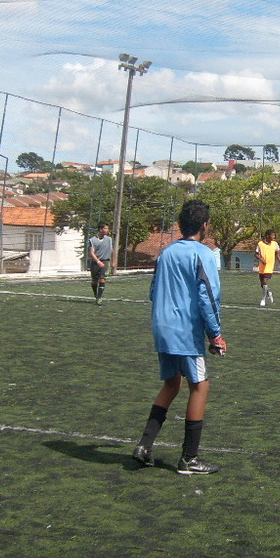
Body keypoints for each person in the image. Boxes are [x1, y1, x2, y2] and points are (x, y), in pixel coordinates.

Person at [132, 199, 226, 475]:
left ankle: (144, 446)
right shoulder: (203, 254)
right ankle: (189, 459)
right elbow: (208, 298)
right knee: (200, 386)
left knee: (172, 383)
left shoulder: (166, 252)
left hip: (162, 326)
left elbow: (153, 290)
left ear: (180, 225)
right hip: (185, 330)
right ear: (205, 225)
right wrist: (216, 335)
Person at [255, 229, 280, 306]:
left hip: (269, 266)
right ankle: (269, 293)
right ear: (267, 236)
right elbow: (256, 254)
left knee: (265, 281)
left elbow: (277, 254)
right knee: (262, 284)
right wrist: (261, 260)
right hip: (262, 267)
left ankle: (263, 299)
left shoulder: (275, 244)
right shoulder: (260, 244)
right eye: (272, 236)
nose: (274, 237)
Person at [88, 222, 112, 305]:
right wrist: (98, 261)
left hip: (105, 261)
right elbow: (91, 252)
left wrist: (114, 261)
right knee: (94, 281)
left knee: (102, 279)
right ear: (101, 229)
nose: (107, 230)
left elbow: (112, 250)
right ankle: (96, 294)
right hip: (95, 262)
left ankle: (99, 297)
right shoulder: (92, 240)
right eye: (106, 228)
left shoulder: (109, 239)